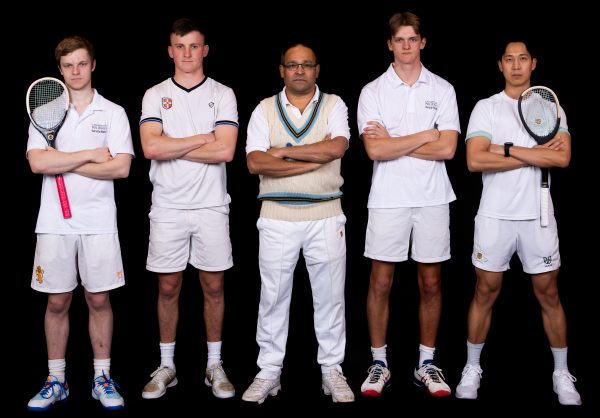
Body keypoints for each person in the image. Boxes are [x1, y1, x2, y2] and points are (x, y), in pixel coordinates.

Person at [456, 39, 581, 406]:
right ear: (500, 65)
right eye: (508, 59)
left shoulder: (552, 107)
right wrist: (533, 153)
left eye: (522, 58)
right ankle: (472, 367)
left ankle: (561, 373)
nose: (515, 65)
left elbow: (562, 159)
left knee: (549, 293)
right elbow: (475, 160)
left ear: (533, 64)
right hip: (494, 215)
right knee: (485, 290)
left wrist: (505, 149)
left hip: (538, 215)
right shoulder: (486, 108)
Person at [241, 41, 354, 404]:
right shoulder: (264, 109)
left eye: (307, 64)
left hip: (326, 214)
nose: (300, 70)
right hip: (277, 216)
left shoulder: (334, 104)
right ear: (282, 70)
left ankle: (332, 370)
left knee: (330, 298)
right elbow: (255, 163)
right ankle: (269, 371)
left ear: (317, 69)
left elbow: (336, 148)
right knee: (272, 298)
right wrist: (312, 159)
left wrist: (283, 153)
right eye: (293, 65)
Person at [26, 36, 133, 411]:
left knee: (98, 298)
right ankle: (57, 380)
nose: (75, 71)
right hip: (54, 222)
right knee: (57, 301)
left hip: (99, 222)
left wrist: (63, 160)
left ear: (93, 65)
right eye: (68, 65)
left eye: (82, 64)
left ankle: (102, 378)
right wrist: (90, 155)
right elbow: (38, 163)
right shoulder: (45, 112)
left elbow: (121, 168)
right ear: (59, 70)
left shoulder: (113, 113)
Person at [357, 11, 459, 397]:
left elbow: (448, 149)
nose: (405, 46)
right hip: (388, 199)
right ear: (390, 44)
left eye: (412, 39)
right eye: (399, 40)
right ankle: (379, 363)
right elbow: (374, 151)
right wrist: (426, 135)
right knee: (381, 281)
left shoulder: (443, 89)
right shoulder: (372, 91)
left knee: (431, 283)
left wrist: (395, 141)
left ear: (422, 42)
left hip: (433, 198)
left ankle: (426, 364)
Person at [139, 18, 237, 400]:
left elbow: (225, 151)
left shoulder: (223, 94)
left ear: (205, 50)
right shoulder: (155, 95)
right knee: (168, 287)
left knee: (214, 285)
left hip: (211, 204)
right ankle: (167, 366)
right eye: (180, 46)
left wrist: (172, 143)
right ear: (170, 51)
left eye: (194, 46)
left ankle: (214, 365)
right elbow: (151, 148)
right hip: (168, 205)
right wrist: (201, 138)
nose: (187, 53)